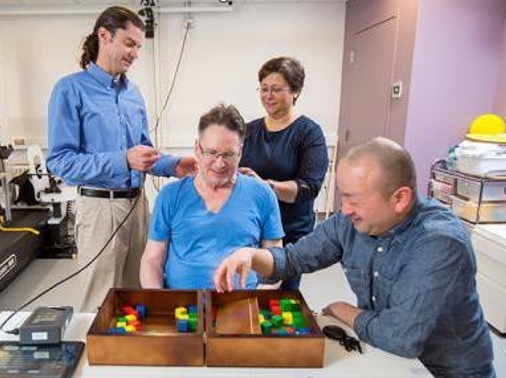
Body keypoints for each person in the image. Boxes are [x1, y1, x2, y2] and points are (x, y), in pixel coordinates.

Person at [214, 137, 495, 377]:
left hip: (444, 370)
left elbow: (400, 337)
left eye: (354, 199)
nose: (344, 209)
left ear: (400, 199)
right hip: (385, 355)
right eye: (342, 197)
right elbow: (293, 259)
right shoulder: (350, 221)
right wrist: (250, 255)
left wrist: (342, 310)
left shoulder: (439, 243)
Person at [46, 6, 197, 312]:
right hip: (100, 209)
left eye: (139, 46)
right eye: (130, 43)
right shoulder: (70, 89)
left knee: (141, 291)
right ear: (104, 36)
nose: (136, 53)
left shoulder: (133, 94)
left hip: (138, 207)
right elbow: (61, 162)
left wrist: (173, 165)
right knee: (101, 303)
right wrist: (122, 161)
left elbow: (143, 153)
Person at [140, 104, 284, 289]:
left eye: (228, 154)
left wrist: (256, 301)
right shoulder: (170, 197)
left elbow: (275, 263)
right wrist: (159, 303)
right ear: (197, 149)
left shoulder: (262, 194)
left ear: (240, 151)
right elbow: (152, 260)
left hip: (242, 304)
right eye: (212, 152)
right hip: (180, 307)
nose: (219, 163)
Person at [239, 57, 328, 290]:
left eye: (276, 89)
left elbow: (309, 187)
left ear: (296, 91)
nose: (268, 96)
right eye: (264, 89)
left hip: (290, 233)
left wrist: (265, 186)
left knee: (280, 302)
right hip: (252, 230)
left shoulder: (309, 133)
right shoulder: (248, 130)